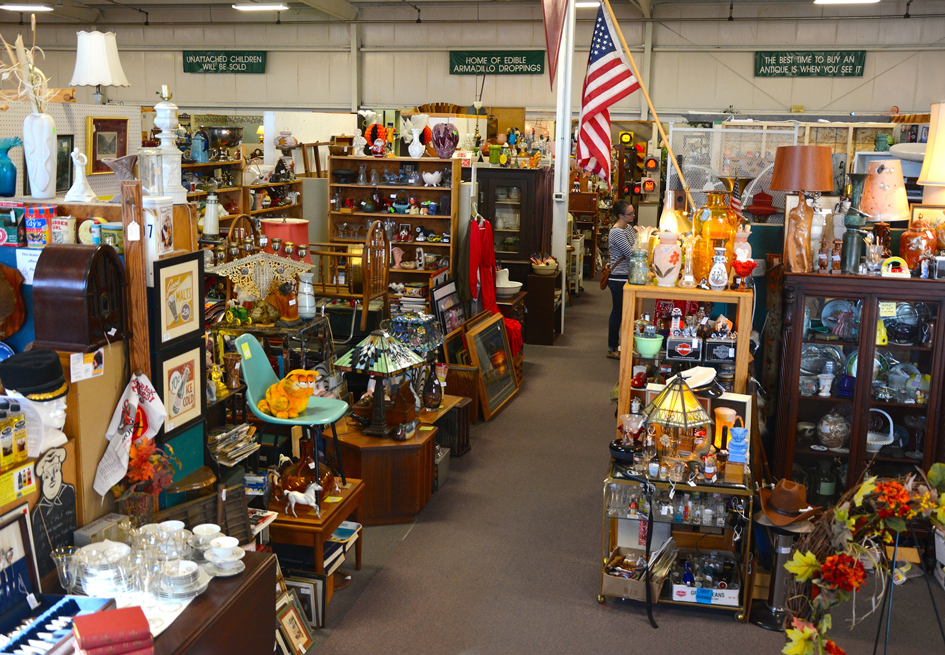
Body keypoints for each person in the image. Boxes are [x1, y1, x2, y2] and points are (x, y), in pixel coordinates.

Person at [607, 201, 637, 359]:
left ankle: (623, 344)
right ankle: (612, 347)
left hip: (628, 275)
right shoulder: (617, 231)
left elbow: (635, 246)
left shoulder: (629, 228)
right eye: (629, 214)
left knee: (625, 312)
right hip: (618, 277)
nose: (633, 216)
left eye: (633, 212)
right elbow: (632, 252)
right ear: (620, 215)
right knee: (618, 312)